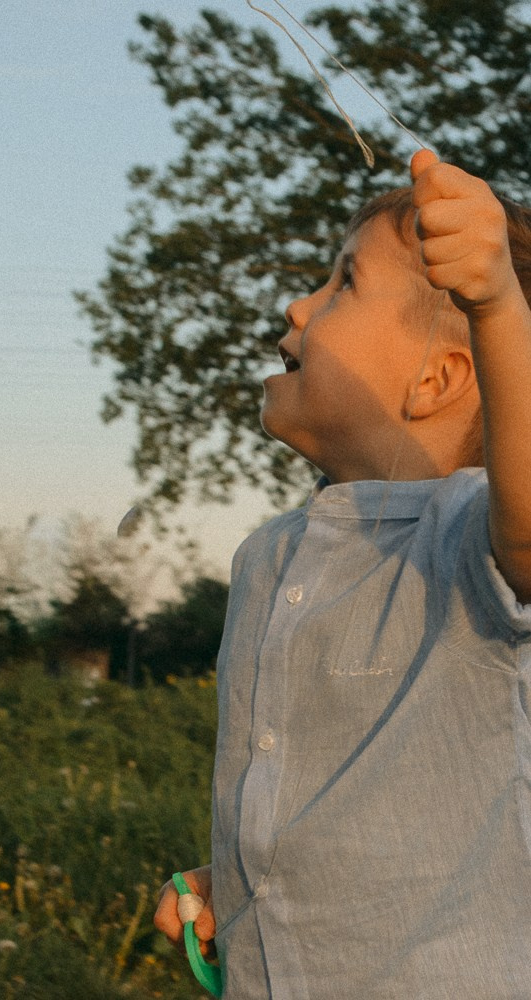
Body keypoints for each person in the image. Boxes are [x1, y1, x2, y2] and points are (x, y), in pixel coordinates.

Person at [154, 149, 531, 998]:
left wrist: (497, 302)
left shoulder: (471, 540)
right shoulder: (268, 558)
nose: (297, 303)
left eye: (342, 283)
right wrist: (250, 875)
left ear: (437, 379)